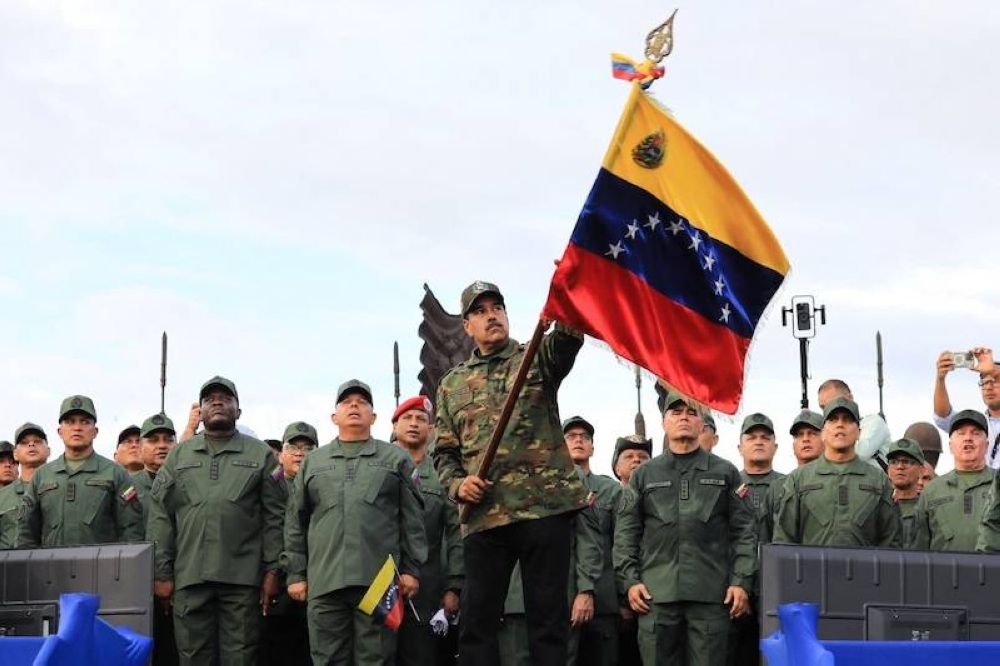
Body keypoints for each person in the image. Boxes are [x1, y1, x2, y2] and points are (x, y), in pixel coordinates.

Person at [432, 281, 589, 666]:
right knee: (477, 622)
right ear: (467, 325)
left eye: (497, 308)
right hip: (486, 516)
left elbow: (568, 339)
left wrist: (566, 289)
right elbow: (444, 453)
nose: (492, 316)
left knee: (547, 622)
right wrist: (458, 484)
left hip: (543, 508)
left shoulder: (535, 356)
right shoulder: (452, 384)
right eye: (481, 311)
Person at [285, 380, 427, 666]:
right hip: (325, 581)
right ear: (334, 417)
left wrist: (411, 570)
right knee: (327, 659)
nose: (354, 405)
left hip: (379, 580)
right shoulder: (314, 461)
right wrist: (296, 574)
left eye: (362, 402)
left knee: (376, 659)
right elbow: (295, 521)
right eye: (347, 401)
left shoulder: (395, 458)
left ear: (373, 417)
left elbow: (412, 518)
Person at [147, 376, 286, 666]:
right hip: (190, 577)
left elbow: (276, 516)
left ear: (239, 411)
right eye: (210, 400)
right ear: (201, 413)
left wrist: (273, 570)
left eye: (226, 399)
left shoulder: (260, 454)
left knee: (241, 657)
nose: (218, 403)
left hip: (243, 579)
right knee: (193, 657)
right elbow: (161, 516)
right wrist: (162, 573)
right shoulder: (179, 455)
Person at [614, 391, 757, 666]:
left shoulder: (725, 472)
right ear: (664, 423)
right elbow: (626, 533)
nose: (684, 417)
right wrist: (630, 582)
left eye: (691, 413)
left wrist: (741, 582)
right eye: (676, 412)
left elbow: (744, 533)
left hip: (712, 597)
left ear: (702, 424)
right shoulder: (645, 474)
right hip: (656, 597)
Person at [389, 396, 463, 666]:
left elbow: (455, 534)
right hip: (379, 586)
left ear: (431, 430)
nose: (414, 424)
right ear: (394, 425)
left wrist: (454, 586)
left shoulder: (443, 474)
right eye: (407, 418)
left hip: (426, 590)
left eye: (421, 419)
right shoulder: (378, 466)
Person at [773, 397, 901, 548]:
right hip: (811, 570)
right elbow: (784, 540)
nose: (840, 424)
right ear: (823, 433)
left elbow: (891, 541)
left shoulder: (879, 480)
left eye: (847, 420)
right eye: (833, 420)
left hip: (865, 570)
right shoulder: (798, 479)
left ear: (859, 432)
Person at [20, 396, 144, 547]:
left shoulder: (115, 473)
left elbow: (131, 530)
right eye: (70, 421)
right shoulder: (42, 475)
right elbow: (26, 533)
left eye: (85, 422)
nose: (77, 427)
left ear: (95, 431)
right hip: (50, 568)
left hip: (102, 567)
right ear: (60, 431)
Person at [562, 416, 623, 666]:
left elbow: (623, 543)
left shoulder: (611, 490)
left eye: (585, 437)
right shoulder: (550, 486)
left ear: (593, 448)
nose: (578, 440)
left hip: (603, 598)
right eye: (571, 436)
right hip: (559, 596)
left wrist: (622, 598)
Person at [728, 413, 783, 666]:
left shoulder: (789, 486)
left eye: (765, 437)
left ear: (775, 446)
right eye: (751, 437)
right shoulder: (727, 485)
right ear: (740, 446)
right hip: (733, 593)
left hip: (776, 590)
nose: (758, 442)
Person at [261, 421, 317, 666]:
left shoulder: (321, 485)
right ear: (281, 454)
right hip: (273, 584)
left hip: (312, 582)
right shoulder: (266, 485)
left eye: (307, 448)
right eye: (293, 447)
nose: (300, 453)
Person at [912, 410, 995, 551]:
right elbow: (919, 551)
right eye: (961, 433)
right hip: (944, 573)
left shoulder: (997, 484)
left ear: (986, 445)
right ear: (950, 446)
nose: (968, 438)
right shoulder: (932, 491)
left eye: (975, 433)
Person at [609, 434, 651, 666]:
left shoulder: (661, 498)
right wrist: (621, 600)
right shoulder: (608, 498)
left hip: (655, 598)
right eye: (629, 456)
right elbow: (605, 550)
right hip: (617, 602)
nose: (636, 460)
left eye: (643, 457)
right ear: (616, 467)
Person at [933, 347, 1000, 468]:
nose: (989, 387)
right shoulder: (975, 423)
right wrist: (940, 379)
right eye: (985, 382)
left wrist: (993, 370)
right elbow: (942, 416)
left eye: (995, 381)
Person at [817, 379, 890, 468]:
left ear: (850, 397)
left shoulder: (873, 422)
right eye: (823, 407)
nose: (828, 410)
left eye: (832, 402)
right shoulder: (826, 430)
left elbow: (861, 453)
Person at [0, 424, 51, 549]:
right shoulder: (2, 497)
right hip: (10, 566)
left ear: (49, 451)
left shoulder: (63, 488)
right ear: (16, 454)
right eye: (24, 442)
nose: (31, 445)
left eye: (38, 441)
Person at [132, 414, 177, 531]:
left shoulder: (187, 483)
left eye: (168, 440)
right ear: (140, 449)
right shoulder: (128, 484)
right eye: (153, 440)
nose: (162, 446)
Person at [884, 438, 926, 547]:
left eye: (906, 462)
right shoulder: (878, 506)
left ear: (921, 470)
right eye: (894, 462)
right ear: (888, 470)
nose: (900, 467)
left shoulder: (928, 509)